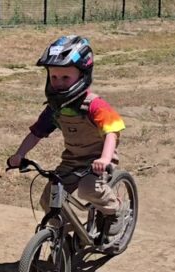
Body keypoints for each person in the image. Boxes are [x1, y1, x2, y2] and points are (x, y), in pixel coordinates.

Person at [7, 35, 127, 235]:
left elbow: (112, 131)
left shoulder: (94, 105)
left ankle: (115, 211)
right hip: (72, 160)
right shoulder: (56, 108)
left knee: (89, 189)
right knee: (49, 198)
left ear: (82, 76)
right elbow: (36, 133)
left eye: (65, 77)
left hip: (98, 159)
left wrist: (105, 158)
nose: (59, 83)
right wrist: (19, 154)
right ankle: (67, 234)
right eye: (54, 77)